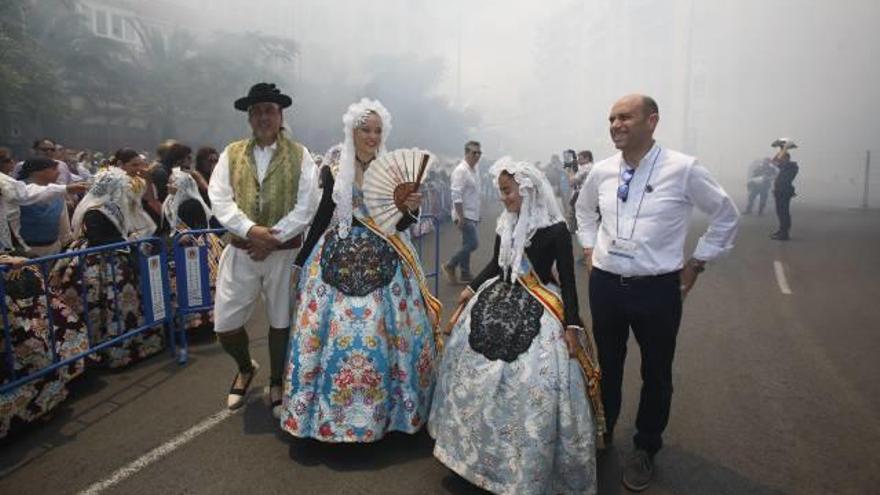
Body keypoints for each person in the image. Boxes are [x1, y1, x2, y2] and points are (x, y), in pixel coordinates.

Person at [575, 94, 739, 492]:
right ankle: (603, 430)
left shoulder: (683, 169)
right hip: (607, 284)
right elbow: (583, 210)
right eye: (611, 118)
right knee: (606, 365)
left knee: (657, 372)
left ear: (652, 121)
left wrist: (697, 262)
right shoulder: (601, 171)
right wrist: (588, 247)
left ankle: (646, 447)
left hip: (658, 289)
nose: (615, 124)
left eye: (624, 117)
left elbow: (725, 214)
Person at [430, 157, 597, 495]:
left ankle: (520, 467)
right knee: (471, 367)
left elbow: (567, 280)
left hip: (538, 302)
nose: (503, 198)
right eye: (501, 191)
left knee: (534, 378)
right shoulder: (505, 222)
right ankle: (470, 456)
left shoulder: (556, 230)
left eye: (507, 191)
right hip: (497, 296)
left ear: (526, 189)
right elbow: (496, 263)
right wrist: (471, 288)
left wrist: (572, 325)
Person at [280, 98, 441, 441]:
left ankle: (395, 414)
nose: (372, 136)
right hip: (337, 251)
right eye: (365, 129)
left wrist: (412, 208)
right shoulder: (334, 166)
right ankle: (326, 415)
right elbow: (323, 214)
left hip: (388, 253)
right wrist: (301, 259)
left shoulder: (394, 170)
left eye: (378, 130)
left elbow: (402, 223)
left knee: (392, 333)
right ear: (351, 131)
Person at [208, 82, 319, 413]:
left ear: (280, 114)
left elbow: (308, 204)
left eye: (269, 110)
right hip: (242, 250)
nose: (262, 116)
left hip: (282, 254)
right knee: (224, 324)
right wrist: (252, 230)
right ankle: (245, 367)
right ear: (249, 117)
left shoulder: (301, 155)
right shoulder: (232, 153)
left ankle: (276, 380)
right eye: (256, 111)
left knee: (280, 319)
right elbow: (219, 198)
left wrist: (275, 239)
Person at [51, 168, 166, 368]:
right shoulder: (96, 210)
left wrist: (129, 240)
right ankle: (107, 348)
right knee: (105, 304)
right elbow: (99, 239)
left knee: (122, 304)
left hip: (116, 259)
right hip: (100, 263)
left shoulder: (106, 207)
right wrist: (129, 241)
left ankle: (128, 343)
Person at [163, 168, 224, 333]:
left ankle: (204, 324)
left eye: (171, 182)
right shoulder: (170, 202)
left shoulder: (191, 203)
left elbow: (196, 228)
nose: (168, 185)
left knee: (200, 283)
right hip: (182, 248)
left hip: (198, 247)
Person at [442, 140, 482, 283]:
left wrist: (478, 213)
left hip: (473, 213)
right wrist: (460, 216)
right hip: (463, 214)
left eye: (479, 153)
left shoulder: (475, 170)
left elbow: (475, 194)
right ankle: (451, 264)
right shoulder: (461, 170)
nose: (477, 156)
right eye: (474, 153)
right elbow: (456, 194)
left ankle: (465, 272)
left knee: (467, 243)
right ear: (466, 153)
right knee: (473, 244)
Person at [17, 158, 73, 257]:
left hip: (53, 250)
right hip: (23, 253)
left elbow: (63, 224)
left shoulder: (58, 192)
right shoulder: (18, 191)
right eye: (54, 169)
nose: (59, 172)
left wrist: (67, 243)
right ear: (39, 171)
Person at [111, 148, 157, 239]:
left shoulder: (138, 180)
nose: (138, 169)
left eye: (140, 165)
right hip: (121, 224)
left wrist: (148, 180)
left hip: (140, 221)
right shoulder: (111, 181)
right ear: (120, 164)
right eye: (134, 165)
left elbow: (150, 199)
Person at [771, 150, 798, 240]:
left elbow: (785, 179)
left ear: (786, 158)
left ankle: (784, 233)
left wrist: (783, 152)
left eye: (782, 158)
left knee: (783, 213)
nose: (780, 160)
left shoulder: (791, 167)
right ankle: (781, 230)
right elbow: (773, 161)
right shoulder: (785, 166)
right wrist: (781, 150)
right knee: (780, 212)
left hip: (784, 191)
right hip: (780, 191)